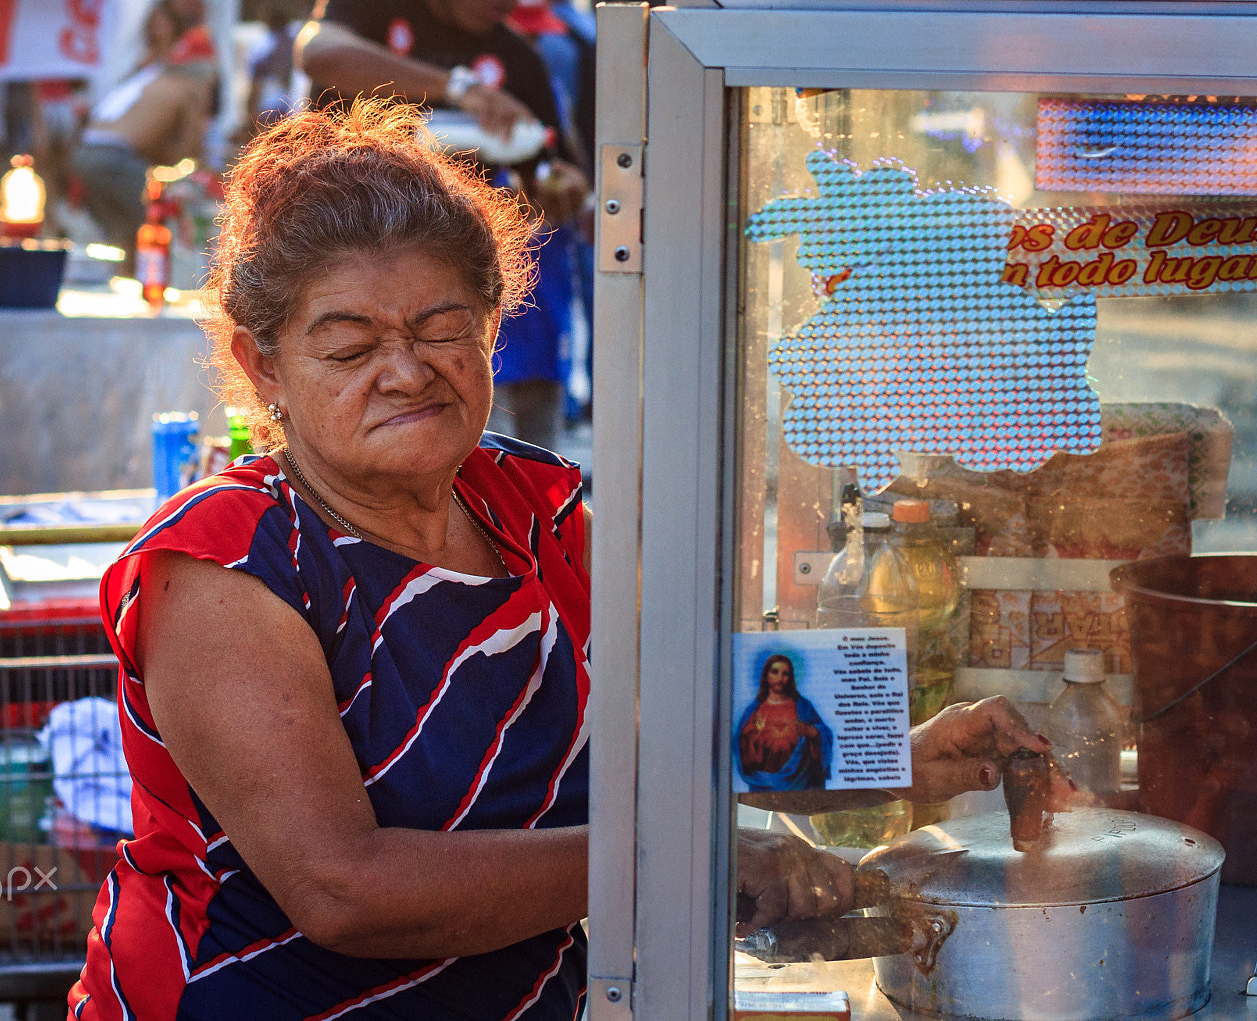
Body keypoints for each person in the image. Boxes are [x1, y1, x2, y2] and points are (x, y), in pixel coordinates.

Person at [68, 101, 1054, 1020]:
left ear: (494, 326)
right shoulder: (226, 566)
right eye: (349, 345)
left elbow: (670, 736)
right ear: (265, 366)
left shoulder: (538, 503)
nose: (406, 370)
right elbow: (343, 889)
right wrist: (682, 858)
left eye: (441, 328)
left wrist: (900, 750)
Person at [298, 0, 588, 450]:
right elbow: (320, 54)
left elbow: (548, 181)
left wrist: (560, 191)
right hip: (333, 269)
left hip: (447, 293)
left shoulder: (517, 59)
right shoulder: (373, 12)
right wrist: (457, 87)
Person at [70, 0, 213, 255]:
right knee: (156, 221)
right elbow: (190, 149)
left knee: (128, 232)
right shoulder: (168, 77)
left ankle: (128, 277)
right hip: (112, 155)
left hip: (87, 152)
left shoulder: (152, 74)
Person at [737, 654, 833, 792]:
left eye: (785, 674)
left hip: (801, 782)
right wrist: (752, 735)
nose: (780, 679)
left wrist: (812, 731)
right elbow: (742, 748)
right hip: (764, 786)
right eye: (775, 672)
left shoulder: (803, 707)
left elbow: (823, 734)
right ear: (766, 675)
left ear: (791, 678)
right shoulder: (754, 710)